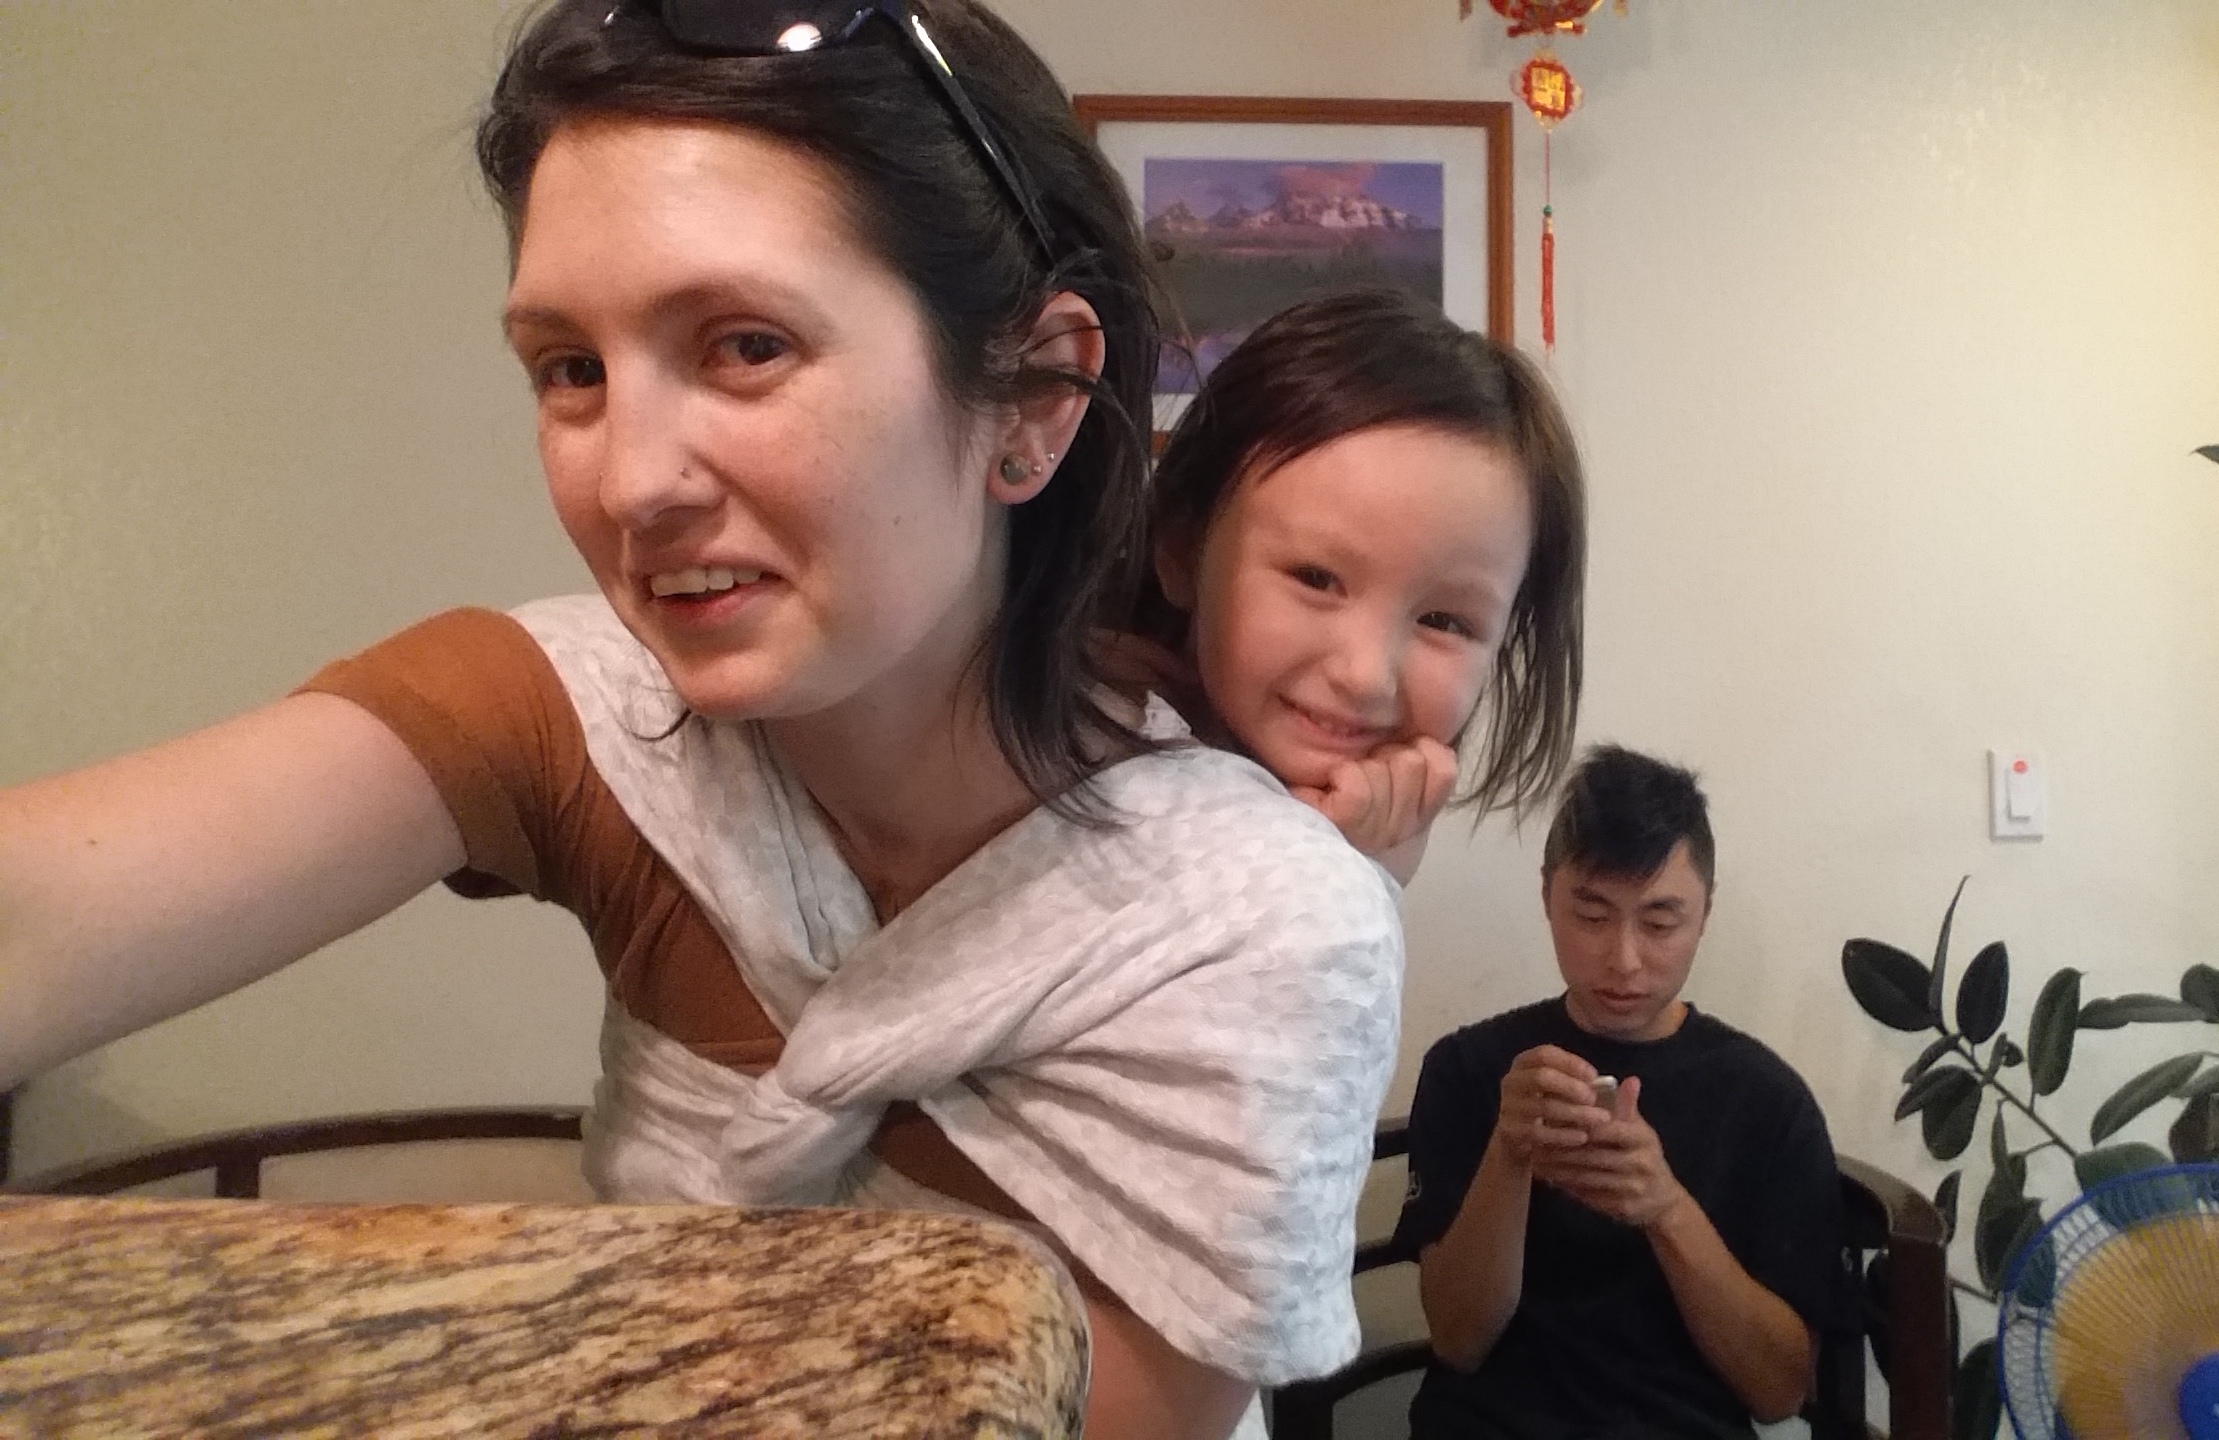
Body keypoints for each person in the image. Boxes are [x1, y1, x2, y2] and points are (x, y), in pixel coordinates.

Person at [0, 5, 1410, 1437]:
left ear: (1035, 397)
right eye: (571, 368)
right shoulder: (589, 718)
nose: (630, 483)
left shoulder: (1254, 919)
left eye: (744, 344)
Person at [1392, 744, 1846, 1440]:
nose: (1625, 960)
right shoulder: (1470, 1070)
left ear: (1704, 913)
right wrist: (1509, 1157)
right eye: (1593, 915)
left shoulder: (1767, 1104)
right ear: (1548, 897)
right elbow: (1460, 1340)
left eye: (1660, 922)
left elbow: (1778, 1390)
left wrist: (1665, 1208)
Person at [1133, 287, 1587, 881]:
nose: (1367, 676)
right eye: (1316, 579)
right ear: (1181, 550)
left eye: (1444, 622)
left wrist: (1369, 866)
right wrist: (1344, 879)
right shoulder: (1085, 769)